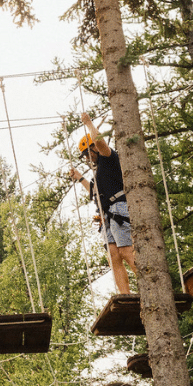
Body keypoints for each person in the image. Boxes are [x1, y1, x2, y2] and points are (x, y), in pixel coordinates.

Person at [69, 112, 137, 294]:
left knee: (126, 251)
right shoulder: (100, 172)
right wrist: (80, 178)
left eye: (87, 153)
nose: (87, 158)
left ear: (93, 148)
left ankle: (150, 286)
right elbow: (95, 193)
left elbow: (100, 142)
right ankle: (126, 295)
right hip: (107, 215)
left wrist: (88, 123)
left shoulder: (108, 157)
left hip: (118, 209)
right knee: (113, 256)